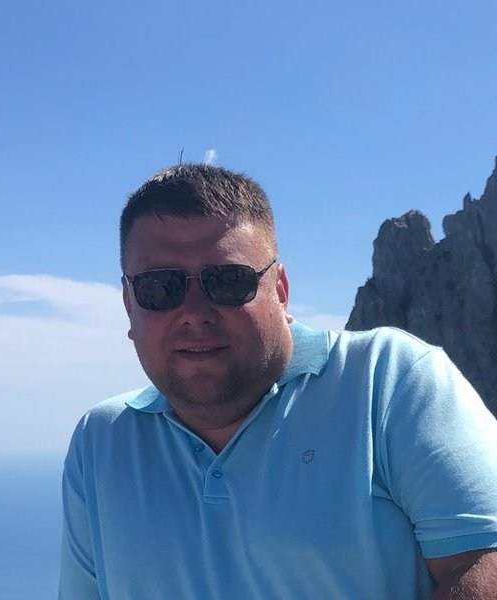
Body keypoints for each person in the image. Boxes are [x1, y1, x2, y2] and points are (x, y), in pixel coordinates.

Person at [59, 164, 497, 599]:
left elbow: (484, 563)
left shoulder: (388, 380)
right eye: (160, 287)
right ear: (129, 304)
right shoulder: (101, 441)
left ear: (281, 291)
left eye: (228, 281)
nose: (194, 313)